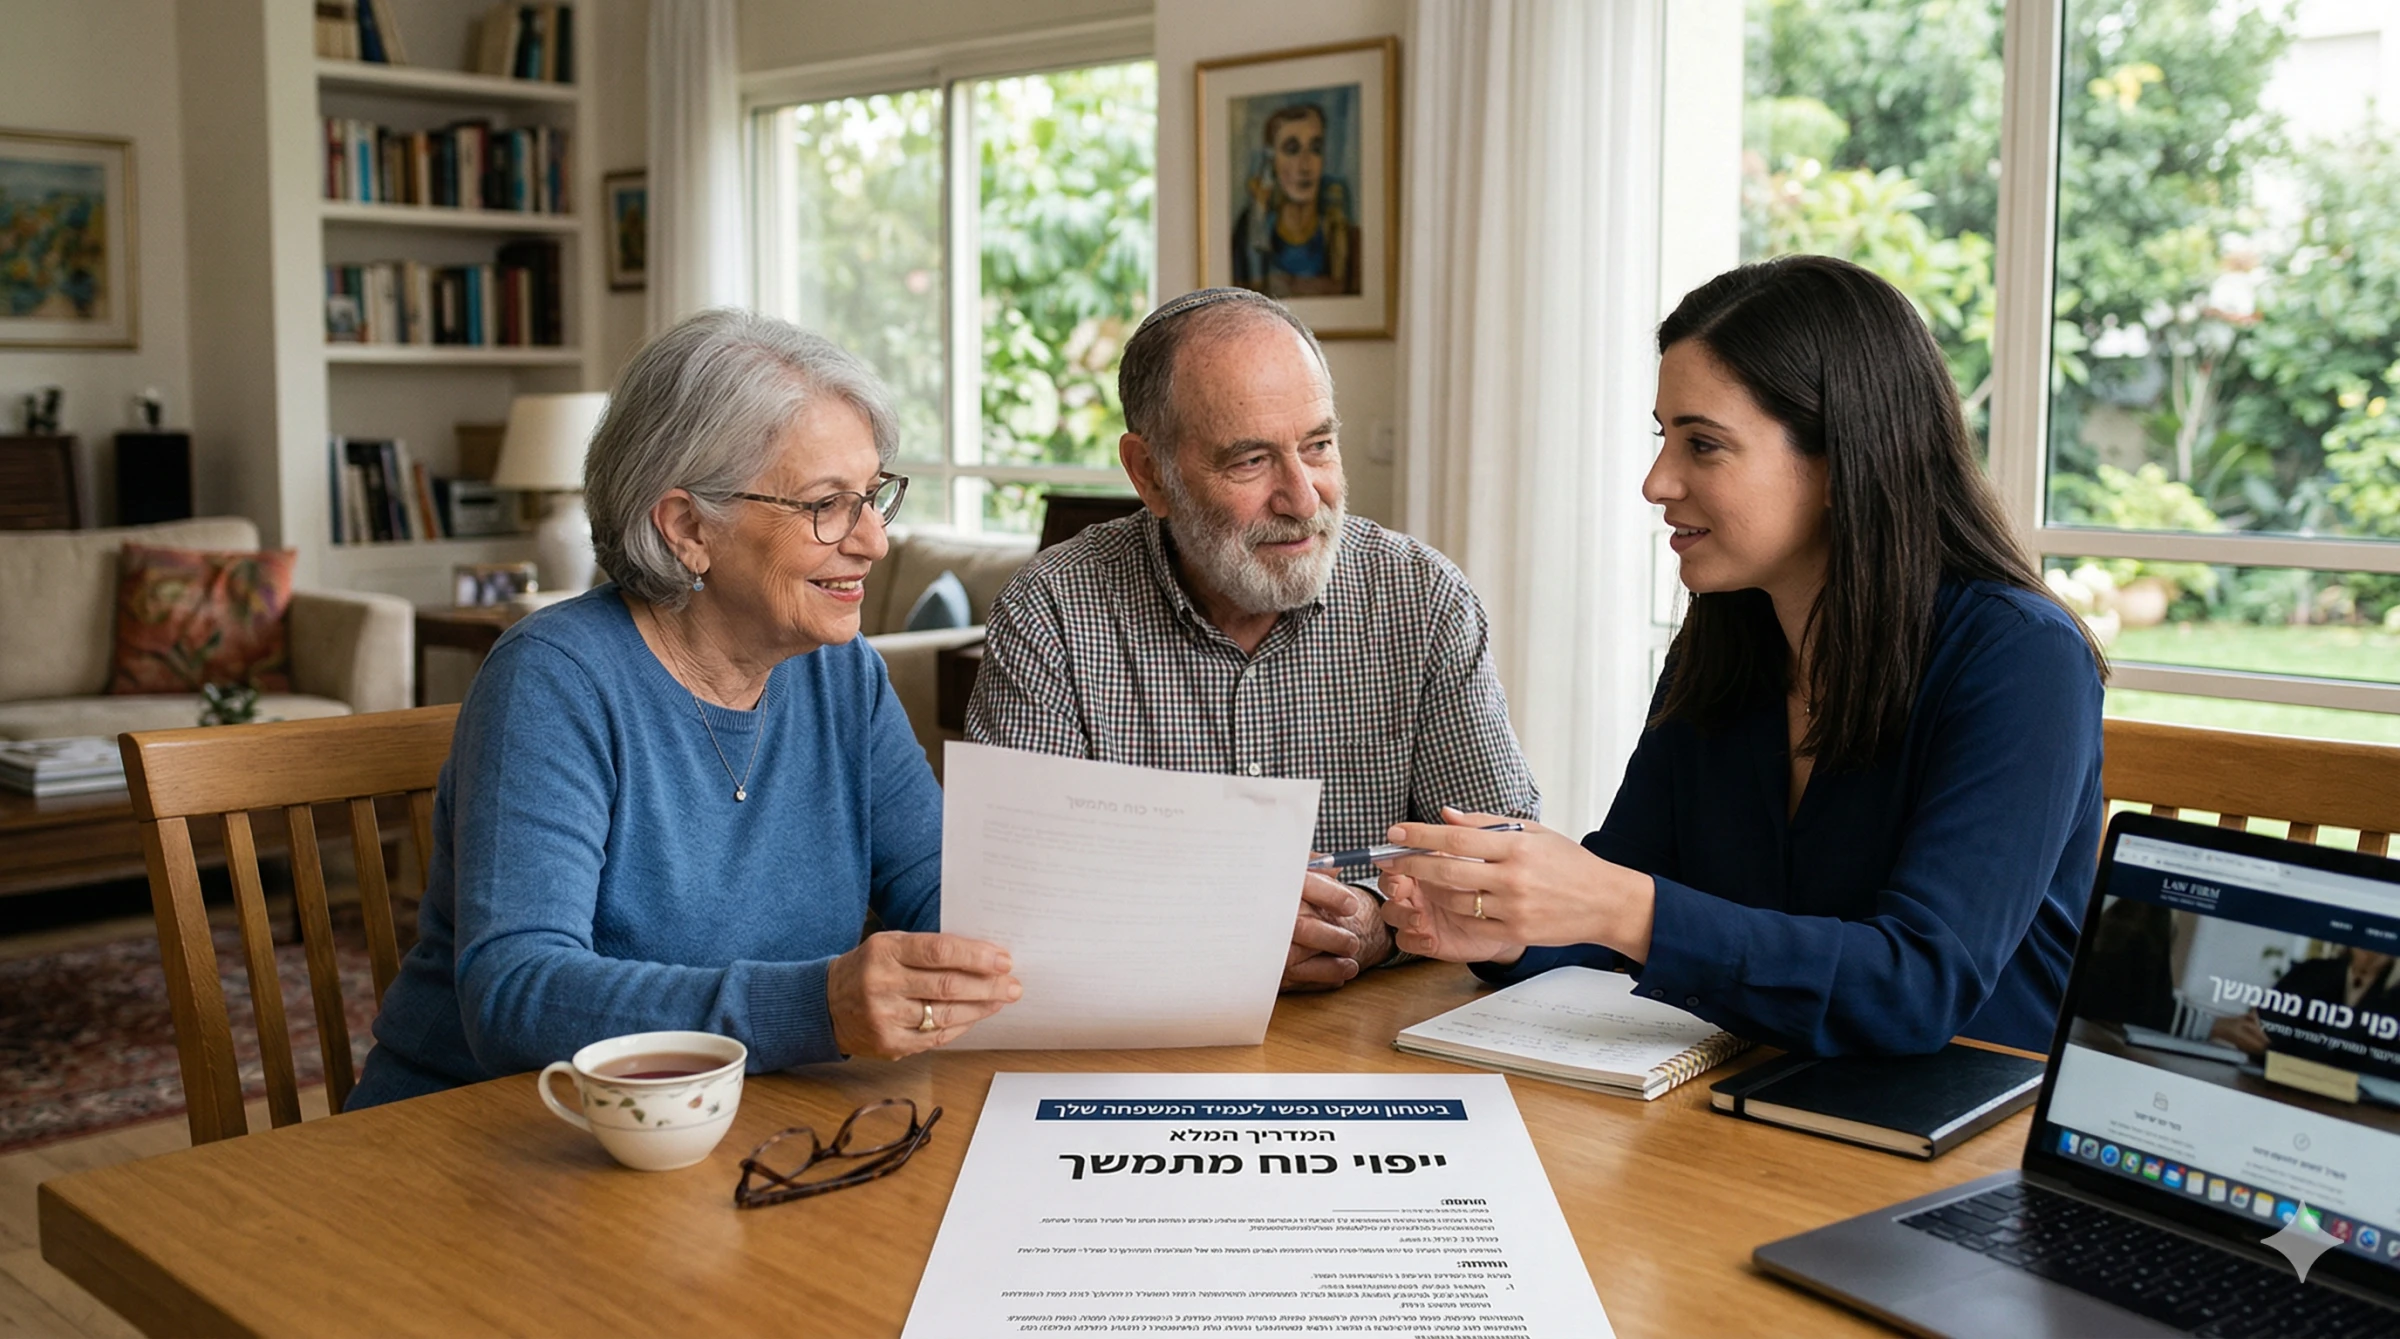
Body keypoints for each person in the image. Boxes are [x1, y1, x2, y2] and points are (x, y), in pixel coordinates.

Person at [1378, 255, 2109, 1056]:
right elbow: (1624, 888)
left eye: (1704, 444)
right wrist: (1502, 921)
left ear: (1839, 463)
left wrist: (1617, 904)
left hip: (1964, 1134)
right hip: (1752, 1102)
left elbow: (1916, 983)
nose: (1657, 482)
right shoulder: (1727, 636)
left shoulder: (2023, 659)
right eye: (1664, 437)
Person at [350, 310, 1020, 1107]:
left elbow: (947, 894)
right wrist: (815, 1005)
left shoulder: (844, 675)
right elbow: (515, 993)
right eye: (828, 504)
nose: (873, 540)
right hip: (493, 1132)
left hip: (732, 1122)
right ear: (687, 527)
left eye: (873, 496)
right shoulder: (553, 680)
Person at [966, 287, 1538, 991]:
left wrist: (1375, 924)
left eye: (1318, 446)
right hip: (1134, 1042)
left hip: (1374, 1043)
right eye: (1251, 461)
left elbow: (1503, 871)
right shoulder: (1051, 612)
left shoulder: (1423, 601)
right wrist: (1211, 935)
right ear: (1150, 473)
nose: (1302, 498)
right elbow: (1015, 904)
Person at [1232, 104, 1360, 297]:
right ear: (1271, 161)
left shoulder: (1348, 238)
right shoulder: (1249, 235)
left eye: (1315, 149)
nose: (1305, 165)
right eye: (1292, 150)